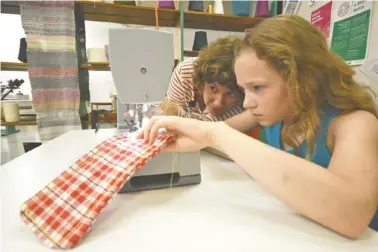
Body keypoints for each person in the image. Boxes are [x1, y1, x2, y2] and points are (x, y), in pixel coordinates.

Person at [138, 14, 378, 238]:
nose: (246, 102)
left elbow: (352, 215)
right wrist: (200, 135)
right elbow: (219, 140)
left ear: (304, 79)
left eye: (258, 88)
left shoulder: (355, 123)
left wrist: (214, 133)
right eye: (243, 90)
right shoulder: (272, 112)